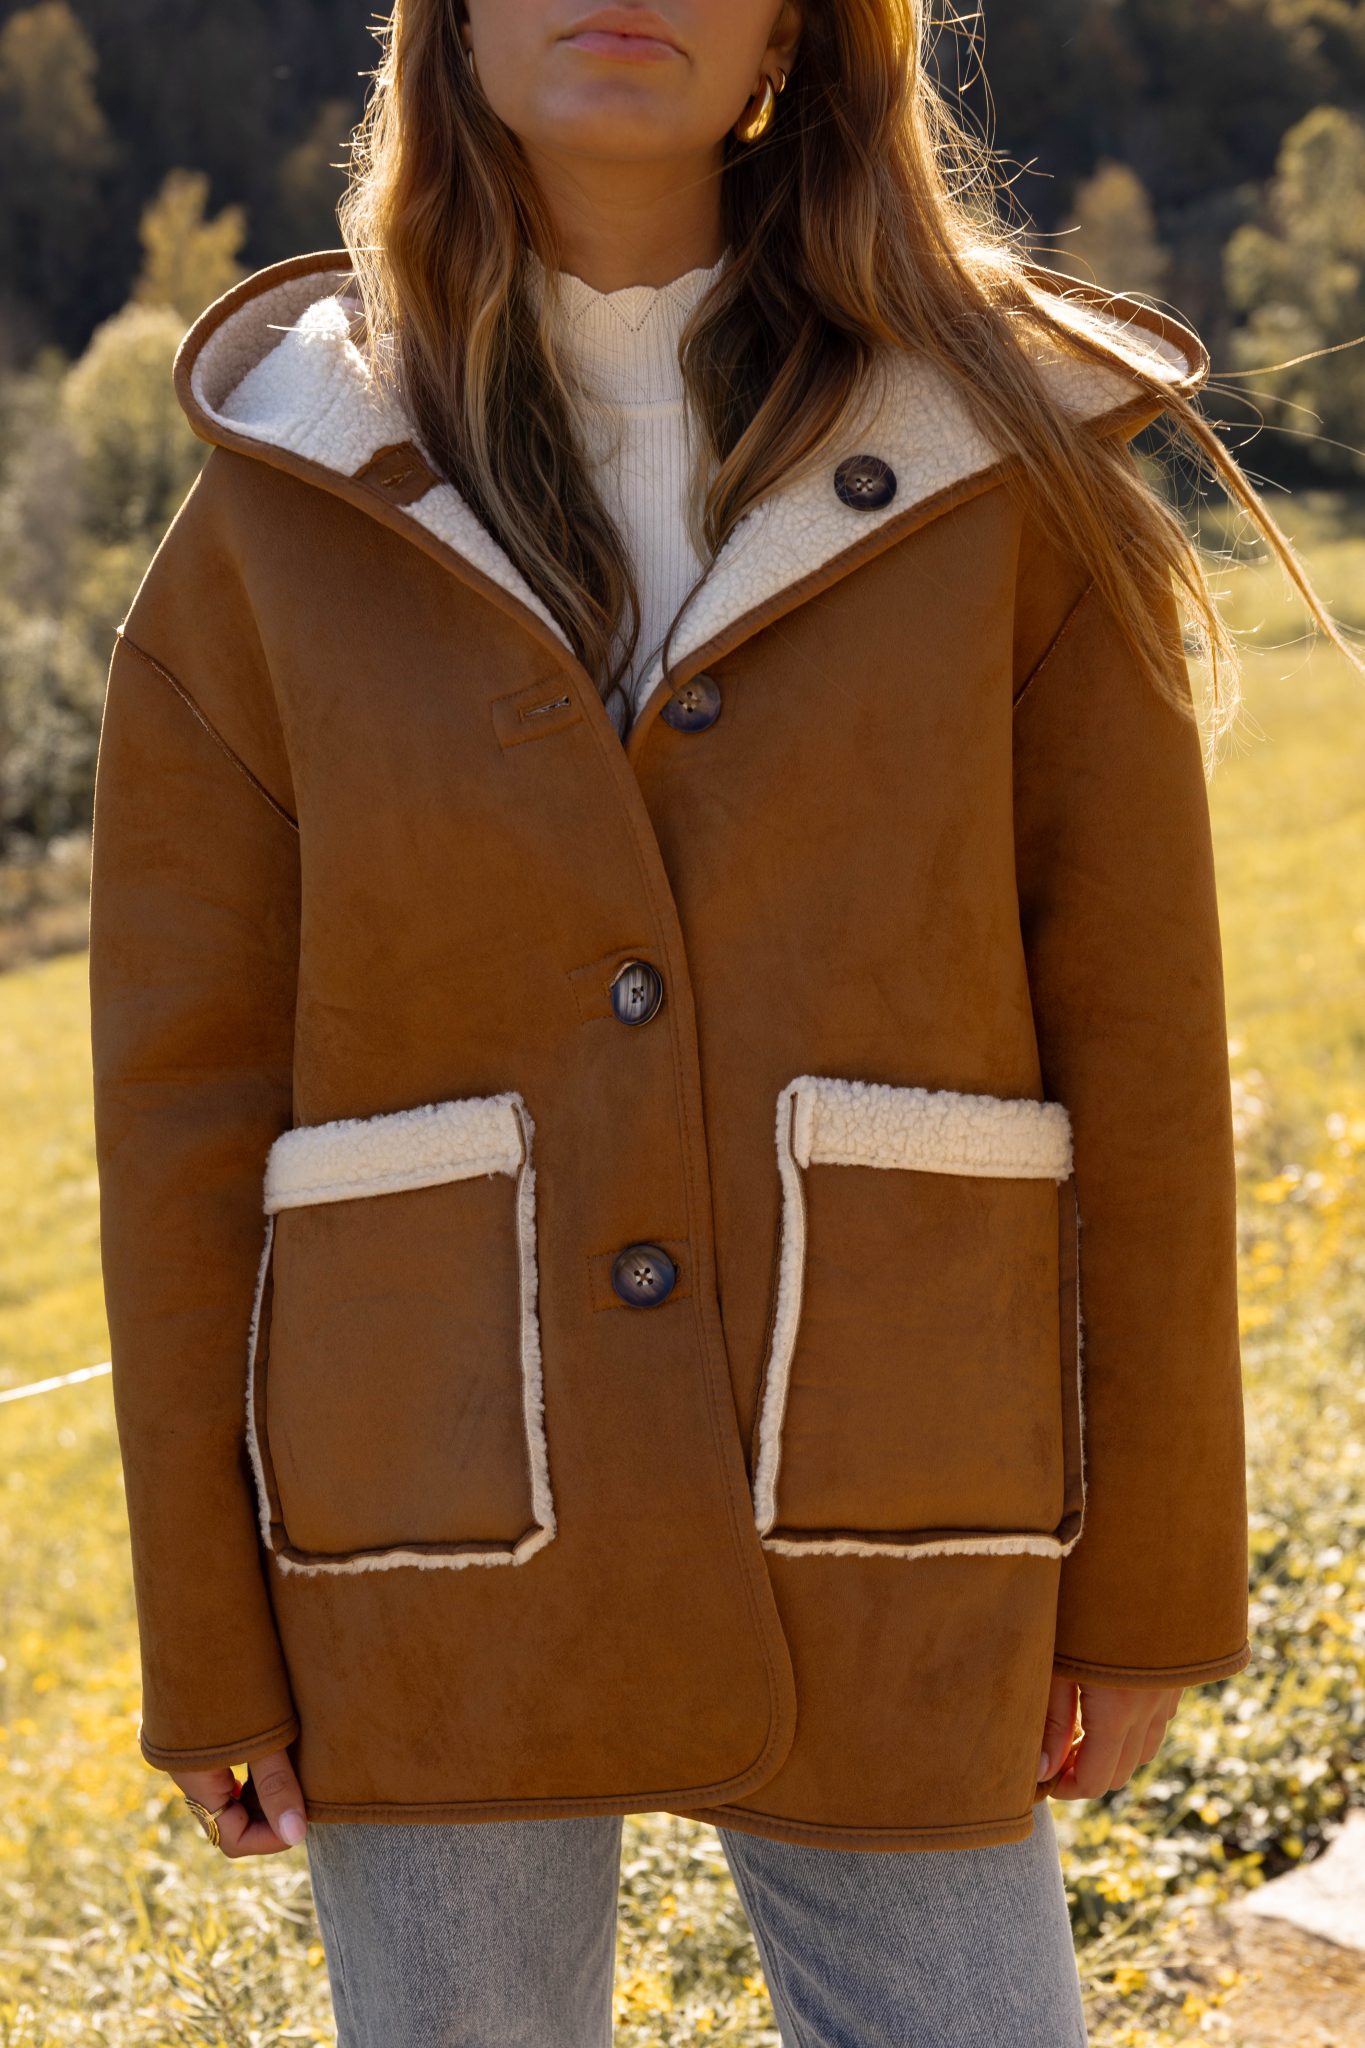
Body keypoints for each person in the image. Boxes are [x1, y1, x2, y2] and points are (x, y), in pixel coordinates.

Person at [86, 3, 1353, 2043]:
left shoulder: (997, 464)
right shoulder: (284, 495)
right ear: (450, 23)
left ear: (789, 32)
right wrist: (206, 1633)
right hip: (417, 1506)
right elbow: (178, 1108)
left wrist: (1149, 1580)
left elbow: (1136, 1042)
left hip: (901, 1473)